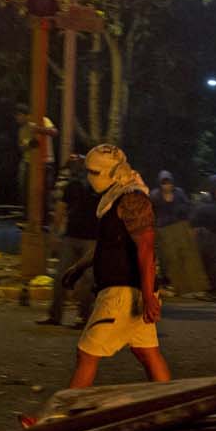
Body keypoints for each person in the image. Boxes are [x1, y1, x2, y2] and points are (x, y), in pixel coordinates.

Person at [59, 144, 170, 387]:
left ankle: (62, 415)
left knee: (87, 354)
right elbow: (107, 244)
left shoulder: (132, 199)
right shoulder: (115, 199)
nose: (90, 178)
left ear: (113, 172)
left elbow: (146, 248)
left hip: (122, 293)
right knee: (146, 353)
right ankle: (170, 404)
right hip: (125, 291)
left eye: (95, 172)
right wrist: (78, 267)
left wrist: (149, 296)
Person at [40, 154, 97, 327]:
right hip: (72, 237)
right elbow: (61, 209)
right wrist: (56, 233)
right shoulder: (71, 186)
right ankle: (56, 316)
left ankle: (82, 317)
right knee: (62, 277)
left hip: (91, 239)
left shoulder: (100, 188)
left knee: (85, 280)